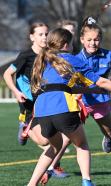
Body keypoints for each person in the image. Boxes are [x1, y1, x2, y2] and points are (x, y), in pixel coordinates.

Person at [28, 28, 111, 186]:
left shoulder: (42, 59)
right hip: (62, 106)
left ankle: (31, 184)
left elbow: (59, 86)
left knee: (54, 147)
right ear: (66, 44)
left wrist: (91, 90)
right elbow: (101, 81)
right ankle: (87, 181)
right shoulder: (70, 58)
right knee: (81, 144)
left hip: (42, 110)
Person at [3, 22, 69, 181]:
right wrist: (16, 92)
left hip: (44, 105)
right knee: (44, 140)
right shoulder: (25, 56)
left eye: (46, 34)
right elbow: (7, 74)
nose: (44, 37)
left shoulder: (50, 55)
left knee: (54, 138)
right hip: (28, 107)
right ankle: (24, 127)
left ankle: (51, 168)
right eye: (40, 34)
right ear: (32, 37)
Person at [76, 17, 111, 153]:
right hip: (80, 102)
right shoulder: (76, 59)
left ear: (101, 39)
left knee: (109, 132)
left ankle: (109, 137)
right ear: (82, 40)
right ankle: (53, 166)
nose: (93, 43)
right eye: (89, 40)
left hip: (101, 100)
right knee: (69, 136)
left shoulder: (109, 55)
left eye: (96, 39)